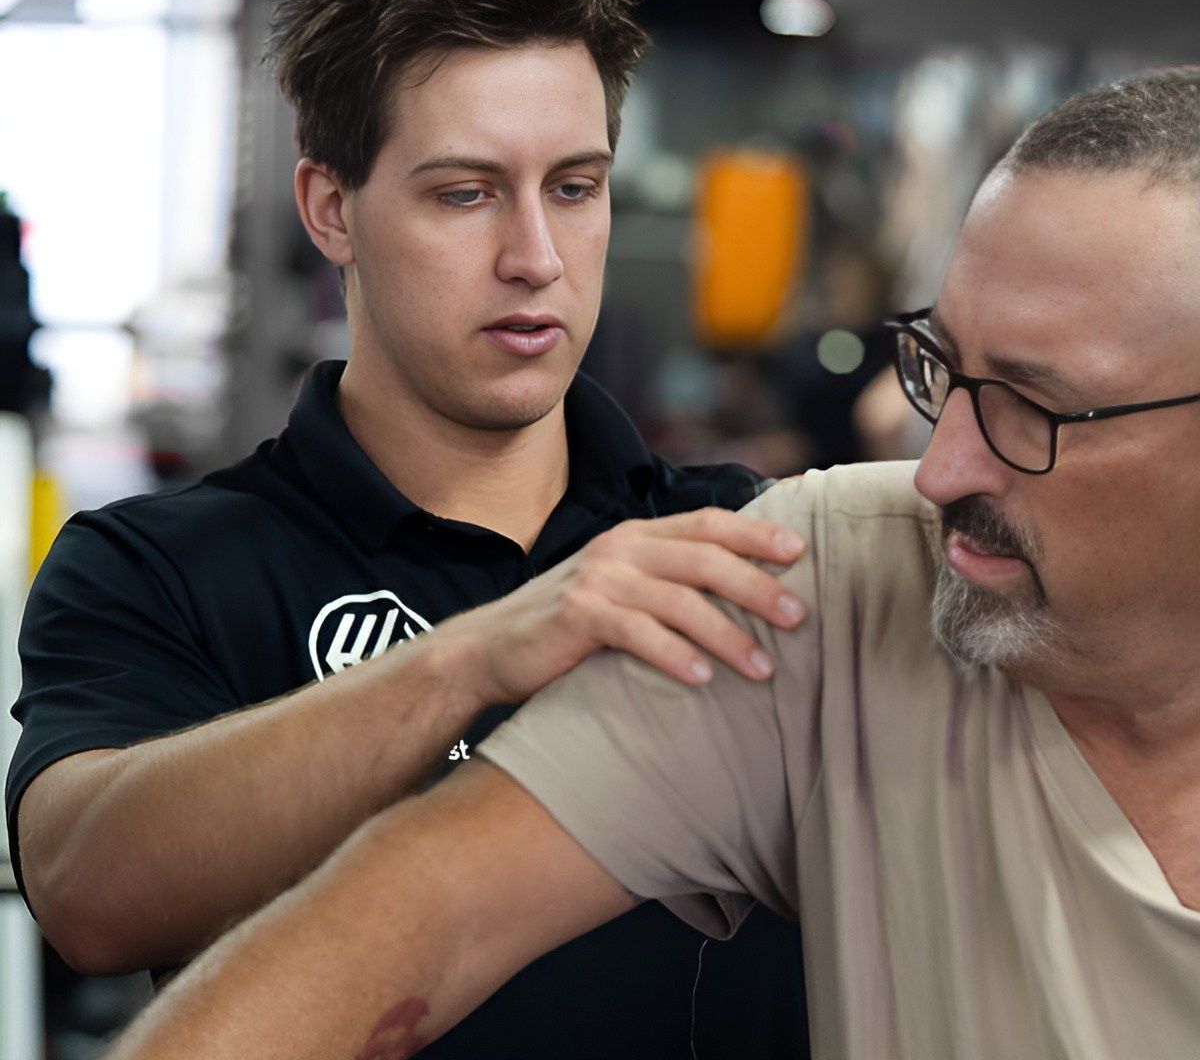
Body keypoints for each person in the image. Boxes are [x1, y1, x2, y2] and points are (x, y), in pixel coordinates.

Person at [108, 67, 1200, 1060]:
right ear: (331, 211)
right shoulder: (829, 582)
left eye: (1035, 408)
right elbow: (403, 921)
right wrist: (461, 663)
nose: (937, 468)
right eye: (941, 368)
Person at [5, 0, 813, 1059]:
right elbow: (85, 892)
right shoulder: (161, 568)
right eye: (466, 193)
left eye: (574, 189)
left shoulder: (742, 538)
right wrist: (470, 660)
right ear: (332, 206)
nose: (536, 257)